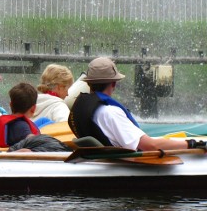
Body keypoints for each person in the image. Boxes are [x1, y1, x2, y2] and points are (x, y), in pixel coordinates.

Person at [69, 57, 206, 151]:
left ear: (88, 83)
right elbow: (150, 146)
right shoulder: (110, 113)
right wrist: (191, 143)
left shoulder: (83, 108)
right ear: (114, 83)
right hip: (120, 164)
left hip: (101, 160)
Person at [0, 82, 40, 148]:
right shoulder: (22, 126)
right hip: (21, 155)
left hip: (9, 151)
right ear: (33, 108)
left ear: (10, 105)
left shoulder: (9, 123)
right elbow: (33, 142)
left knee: (44, 120)